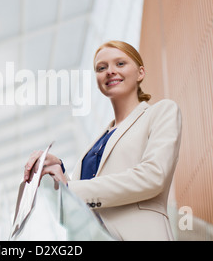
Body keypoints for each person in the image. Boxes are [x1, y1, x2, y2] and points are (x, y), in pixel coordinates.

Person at [23, 40, 182, 241]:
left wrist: (73, 190)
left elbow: (153, 176)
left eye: (120, 63)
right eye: (101, 68)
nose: (110, 71)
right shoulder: (97, 143)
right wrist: (58, 172)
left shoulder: (161, 112)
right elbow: (75, 213)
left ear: (140, 72)